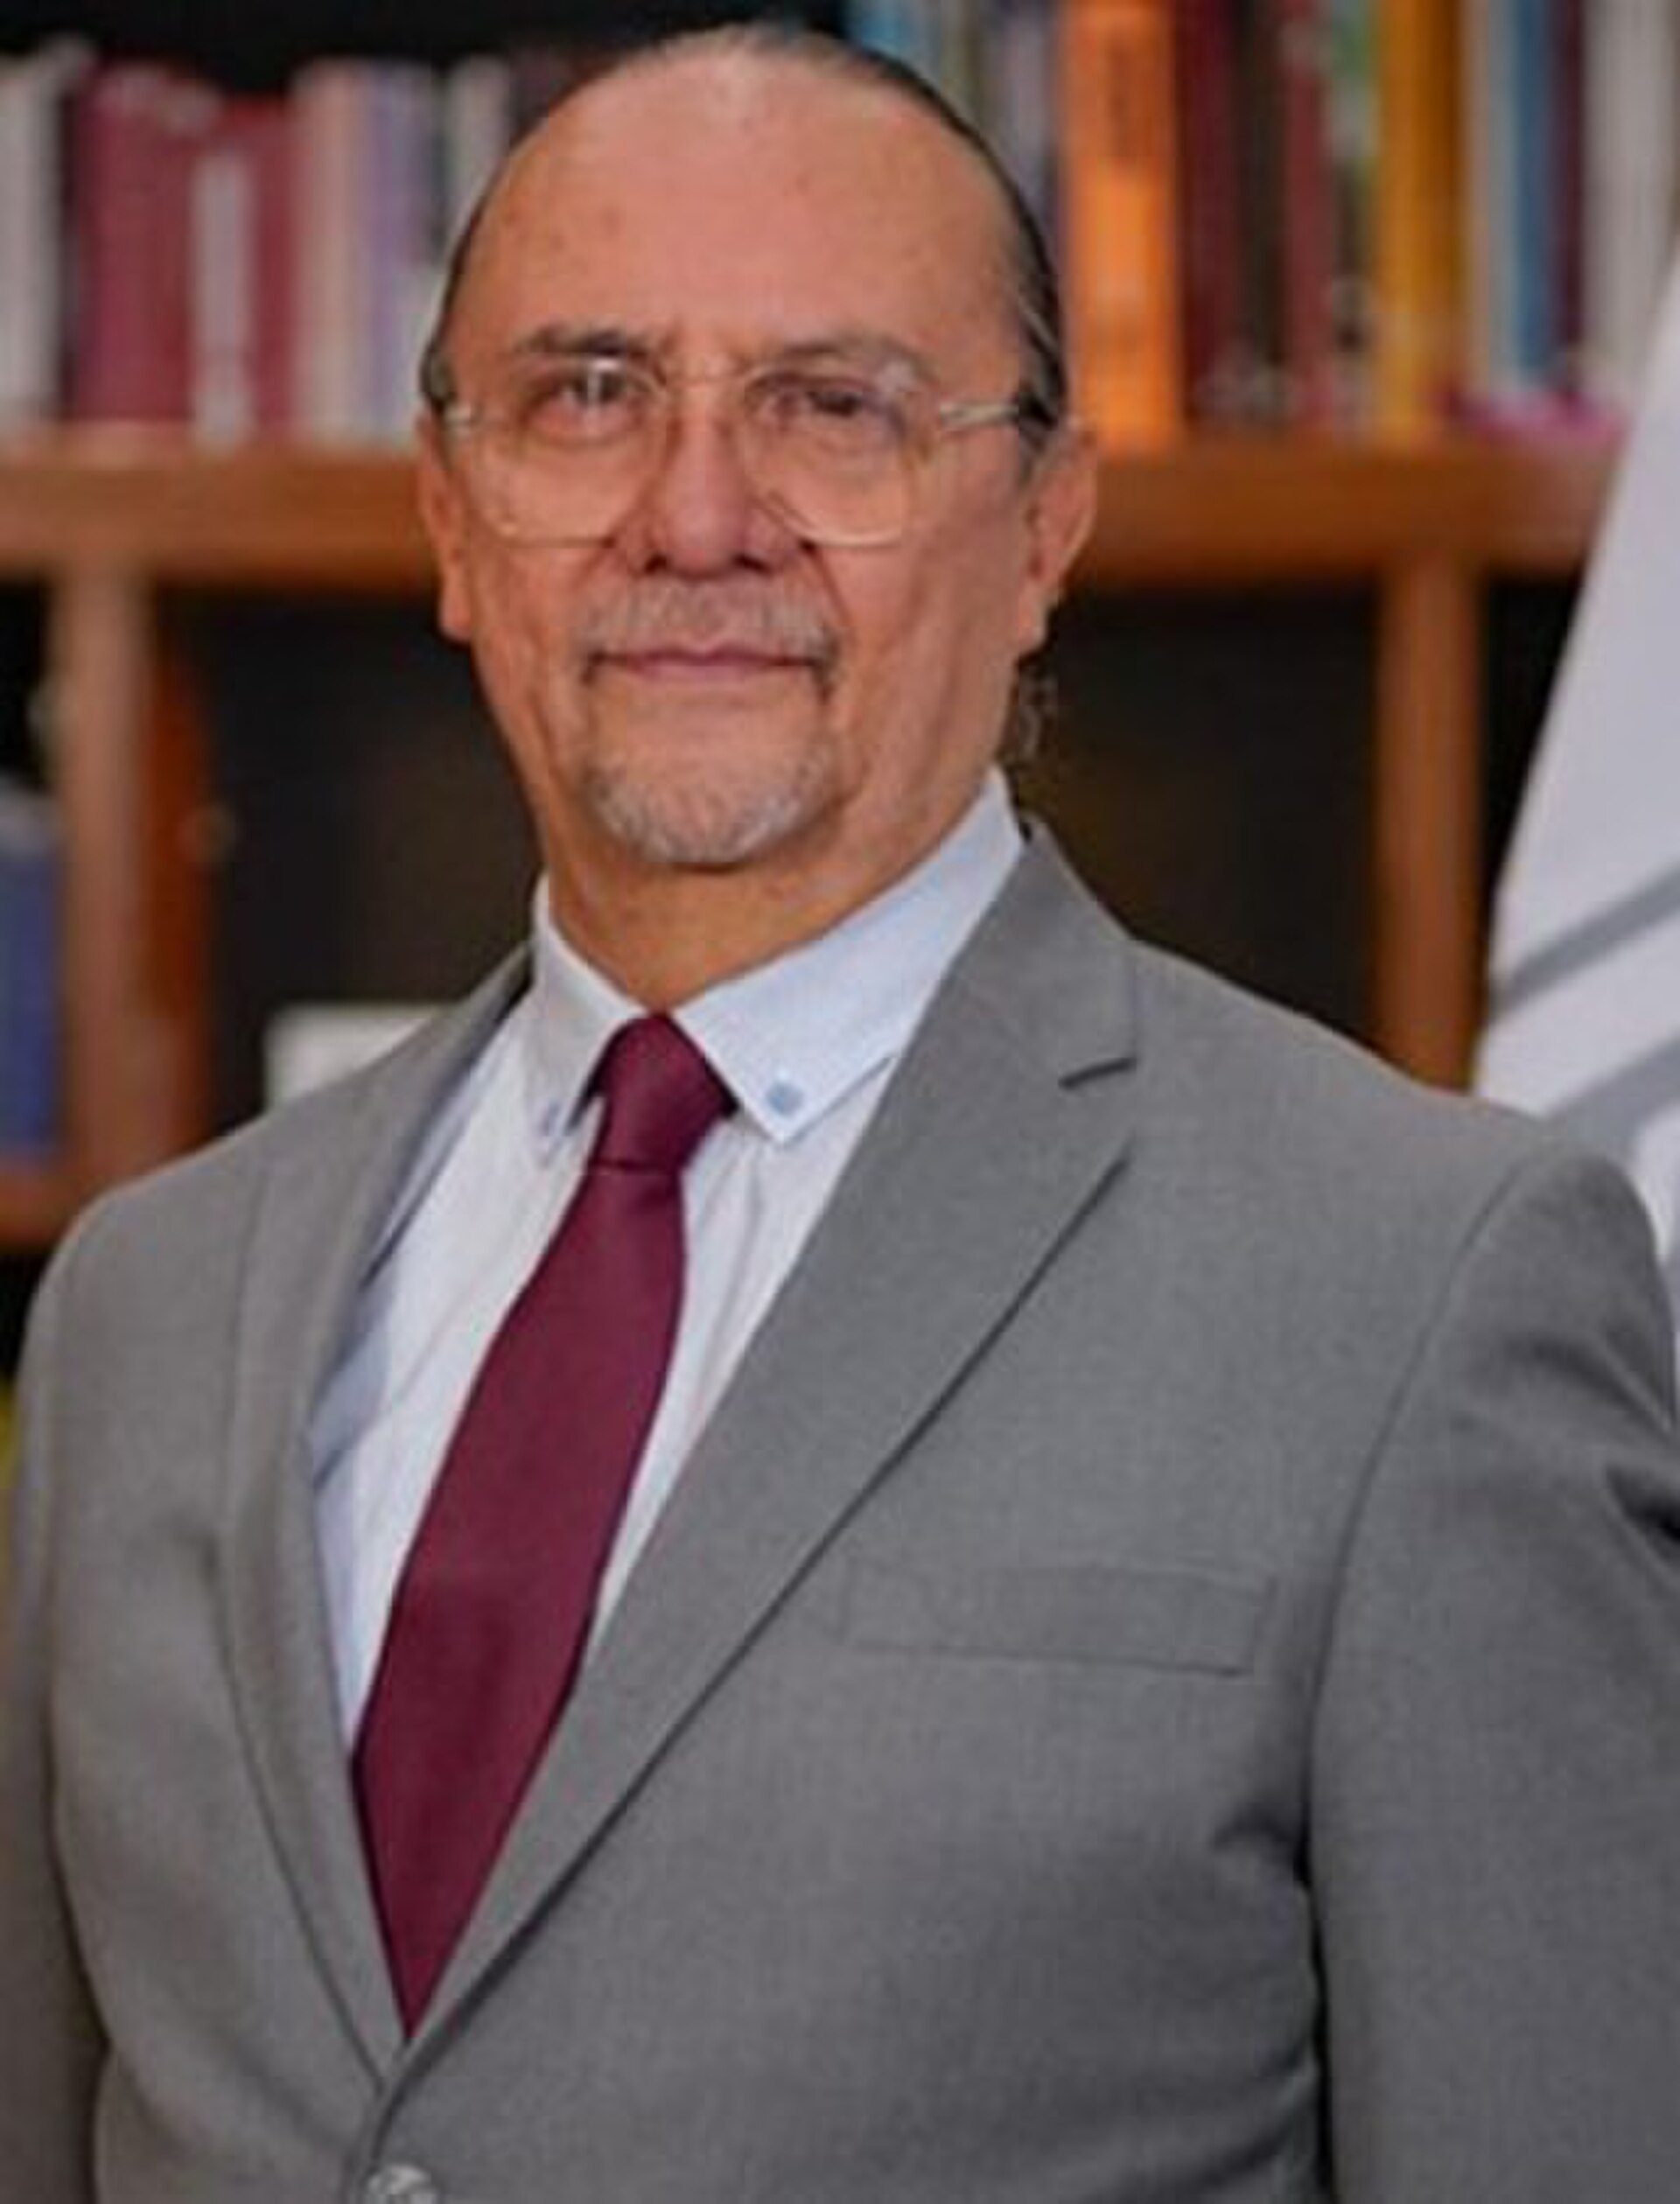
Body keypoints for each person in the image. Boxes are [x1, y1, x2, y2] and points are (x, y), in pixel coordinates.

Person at [4, 24, 1679, 2203]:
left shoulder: (1424, 1292)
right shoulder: (145, 1301)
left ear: (1048, 522)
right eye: (588, 394)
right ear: (447, 511)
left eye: (837, 406)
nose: (697, 520)